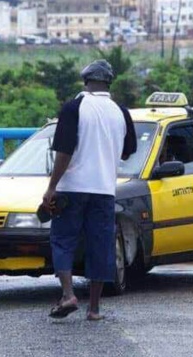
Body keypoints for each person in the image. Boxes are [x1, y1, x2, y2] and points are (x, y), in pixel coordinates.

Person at [42, 59, 137, 321]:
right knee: (101, 244)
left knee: (62, 240)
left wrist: (51, 187)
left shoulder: (74, 107)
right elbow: (129, 150)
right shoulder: (121, 112)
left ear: (86, 82)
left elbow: (64, 151)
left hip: (72, 188)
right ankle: (94, 309)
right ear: (108, 83)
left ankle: (68, 294)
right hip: (105, 190)